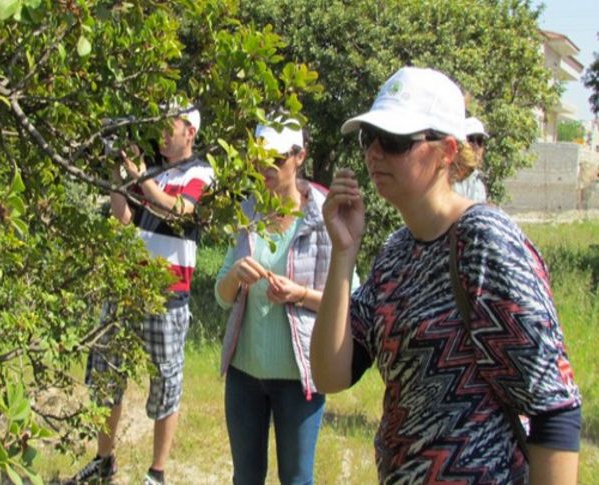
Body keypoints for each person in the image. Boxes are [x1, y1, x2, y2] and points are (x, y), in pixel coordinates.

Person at [311, 67, 582, 484]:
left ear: (447, 151)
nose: (375, 153)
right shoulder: (397, 250)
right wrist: (344, 254)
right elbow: (330, 375)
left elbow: (554, 407)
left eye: (397, 141)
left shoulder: (485, 241)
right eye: (370, 138)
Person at [71, 105, 214, 485]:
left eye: (172, 127)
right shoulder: (151, 170)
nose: (163, 134)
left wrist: (140, 176)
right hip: (126, 288)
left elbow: (180, 211)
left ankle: (156, 473)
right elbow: (122, 220)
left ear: (191, 132)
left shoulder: (201, 172)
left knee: (166, 384)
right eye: (160, 127)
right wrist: (115, 174)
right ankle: (104, 462)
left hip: (167, 296)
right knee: (107, 376)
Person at [214, 119, 358, 484]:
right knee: (245, 478)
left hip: (300, 377)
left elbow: (350, 300)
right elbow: (221, 295)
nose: (266, 168)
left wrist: (300, 295)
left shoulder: (325, 215)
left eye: (276, 159)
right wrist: (235, 277)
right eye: (259, 158)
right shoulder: (249, 211)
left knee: (295, 479)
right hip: (244, 375)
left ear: (300, 157)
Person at [453, 116, 489, 202]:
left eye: (479, 141)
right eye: (471, 140)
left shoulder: (478, 181)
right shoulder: (451, 179)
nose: (476, 146)